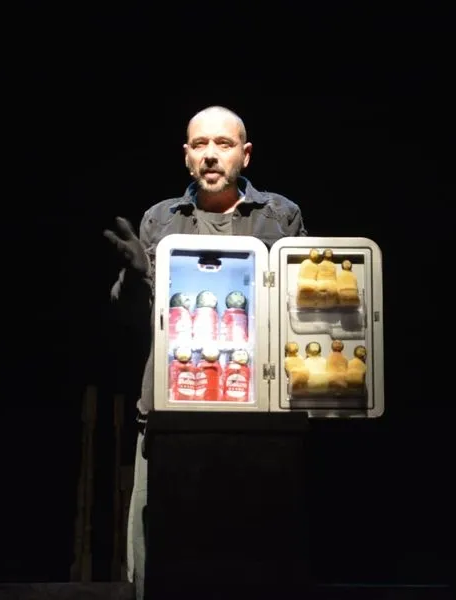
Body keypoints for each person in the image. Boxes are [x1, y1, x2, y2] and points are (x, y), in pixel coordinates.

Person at [103, 105, 307, 598]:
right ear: (186, 156)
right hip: (172, 414)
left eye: (223, 143)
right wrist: (134, 277)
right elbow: (134, 321)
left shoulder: (280, 216)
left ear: (245, 153)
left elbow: (299, 312)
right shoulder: (161, 220)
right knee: (161, 557)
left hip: (260, 418)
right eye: (200, 145)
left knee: (257, 552)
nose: (211, 155)